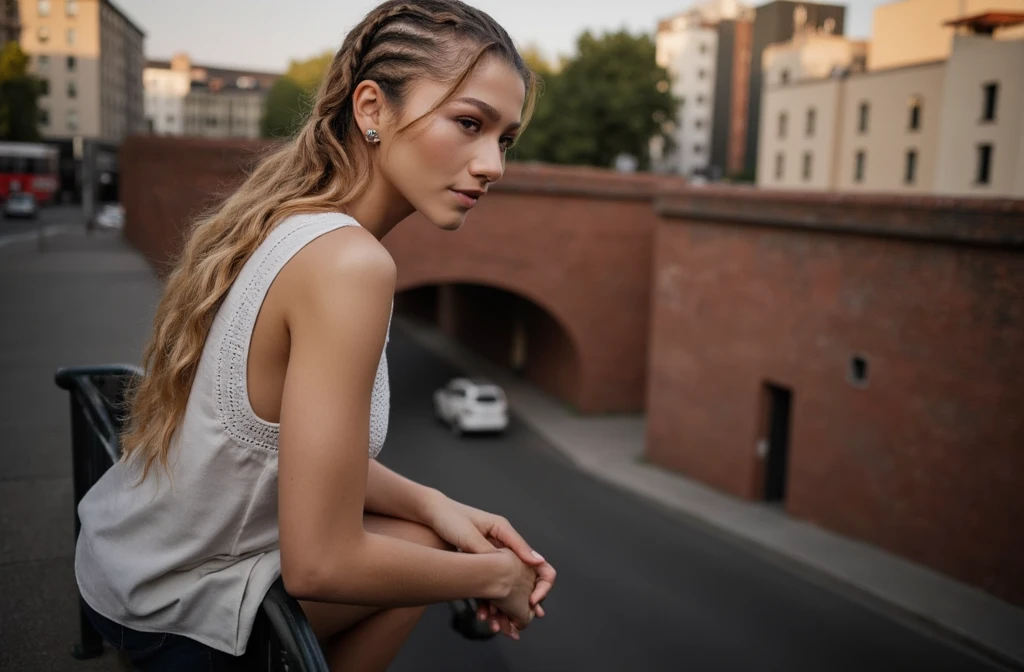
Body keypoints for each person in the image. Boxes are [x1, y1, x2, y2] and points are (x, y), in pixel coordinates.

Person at [73, 1, 557, 669]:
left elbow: (290, 450)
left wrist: (437, 504)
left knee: (424, 538)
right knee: (415, 562)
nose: (493, 164)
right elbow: (322, 566)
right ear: (371, 109)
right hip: (168, 608)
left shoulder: (291, 223)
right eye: (469, 123)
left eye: (503, 139)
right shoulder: (350, 264)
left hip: (117, 559)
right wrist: (496, 577)